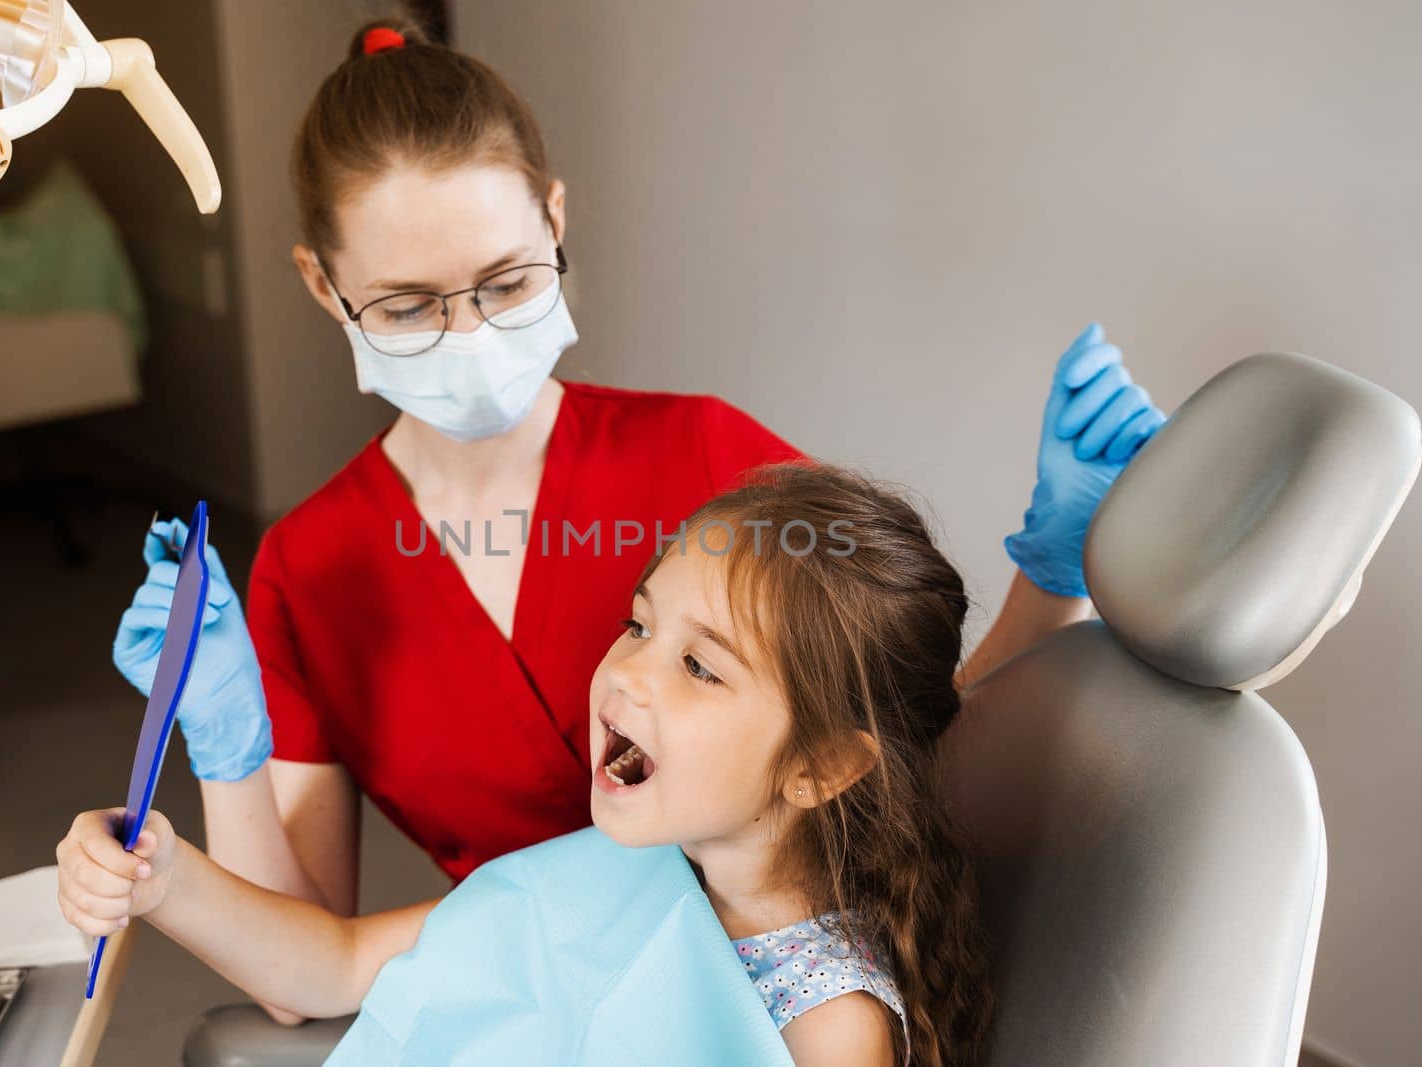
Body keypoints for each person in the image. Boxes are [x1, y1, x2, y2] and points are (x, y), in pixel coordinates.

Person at [107, 15, 1163, 1026]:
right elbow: (305, 966)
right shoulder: (313, 566)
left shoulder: (709, 464)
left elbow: (902, 745)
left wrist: (1053, 574)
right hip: (531, 982)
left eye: (505, 281)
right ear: (323, 285)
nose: (469, 335)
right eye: (410, 305)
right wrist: (225, 749)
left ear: (555, 222)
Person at [63, 464, 990, 1065]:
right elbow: (335, 965)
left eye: (700, 665)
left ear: (821, 766)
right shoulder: (616, 869)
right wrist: (158, 873)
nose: (626, 671)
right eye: (638, 622)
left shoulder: (830, 1026)